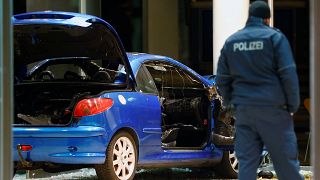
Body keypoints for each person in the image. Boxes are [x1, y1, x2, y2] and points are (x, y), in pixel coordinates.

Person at [215, 1, 303, 179]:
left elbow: (222, 80)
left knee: (246, 164)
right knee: (286, 165)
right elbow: (288, 75)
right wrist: (292, 105)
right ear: (267, 18)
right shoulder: (275, 38)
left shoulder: (232, 41)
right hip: (274, 111)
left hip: (245, 112)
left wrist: (232, 105)